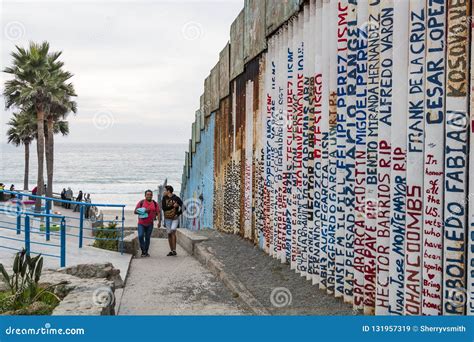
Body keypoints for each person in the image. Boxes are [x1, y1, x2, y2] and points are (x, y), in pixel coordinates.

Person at [134, 190, 161, 257]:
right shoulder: (141, 202)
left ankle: (145, 252)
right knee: (140, 236)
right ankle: (143, 250)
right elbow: (135, 211)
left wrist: (159, 222)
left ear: (152, 195)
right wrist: (144, 211)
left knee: (147, 238)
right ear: (145, 195)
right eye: (147, 194)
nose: (149, 196)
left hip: (150, 223)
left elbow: (158, 213)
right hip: (141, 223)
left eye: (150, 194)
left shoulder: (155, 203)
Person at [161, 185, 183, 256]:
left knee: (173, 231)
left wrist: (178, 213)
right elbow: (164, 208)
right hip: (167, 218)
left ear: (168, 191)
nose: (163, 192)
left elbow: (183, 207)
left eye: (164, 190)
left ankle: (174, 250)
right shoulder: (164, 198)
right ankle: (171, 250)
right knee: (169, 233)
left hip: (174, 218)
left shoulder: (176, 198)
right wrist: (173, 206)